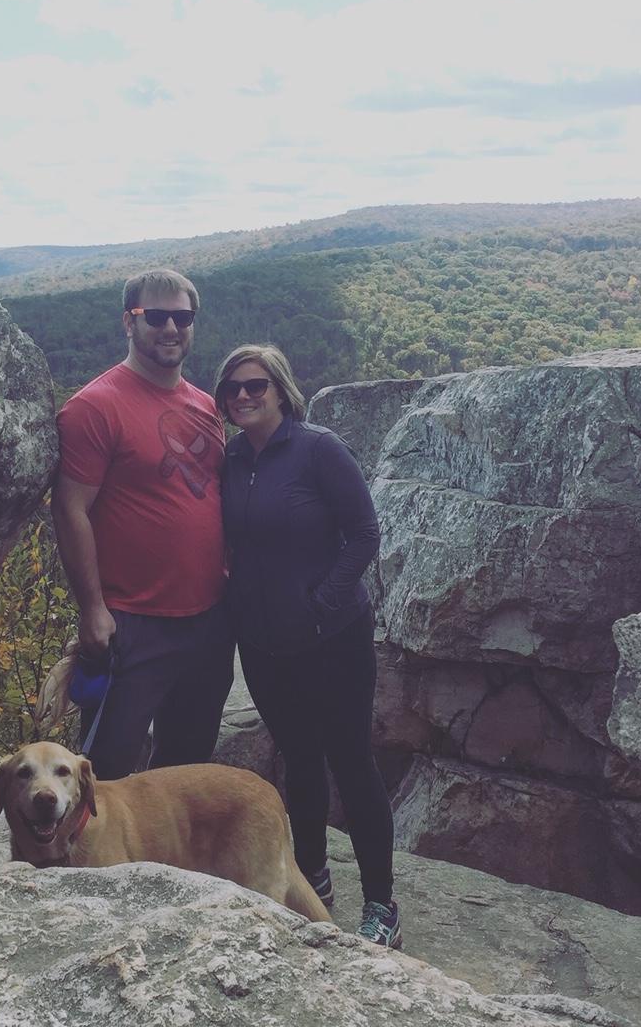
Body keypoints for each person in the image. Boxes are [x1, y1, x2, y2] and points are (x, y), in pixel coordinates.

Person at [214, 343, 401, 949]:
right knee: (297, 759)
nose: (244, 396)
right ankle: (313, 878)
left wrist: (321, 602)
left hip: (333, 639)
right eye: (233, 388)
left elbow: (365, 533)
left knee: (351, 760)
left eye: (256, 385)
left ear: (281, 389)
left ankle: (381, 904)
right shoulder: (232, 457)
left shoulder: (319, 449)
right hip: (264, 644)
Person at [52, 268, 234, 780]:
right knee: (105, 772)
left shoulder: (204, 405)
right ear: (128, 323)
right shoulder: (94, 407)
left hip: (209, 620)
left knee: (187, 772)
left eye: (183, 317)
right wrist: (93, 609)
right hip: (132, 623)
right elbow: (70, 509)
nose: (171, 328)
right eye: (155, 316)